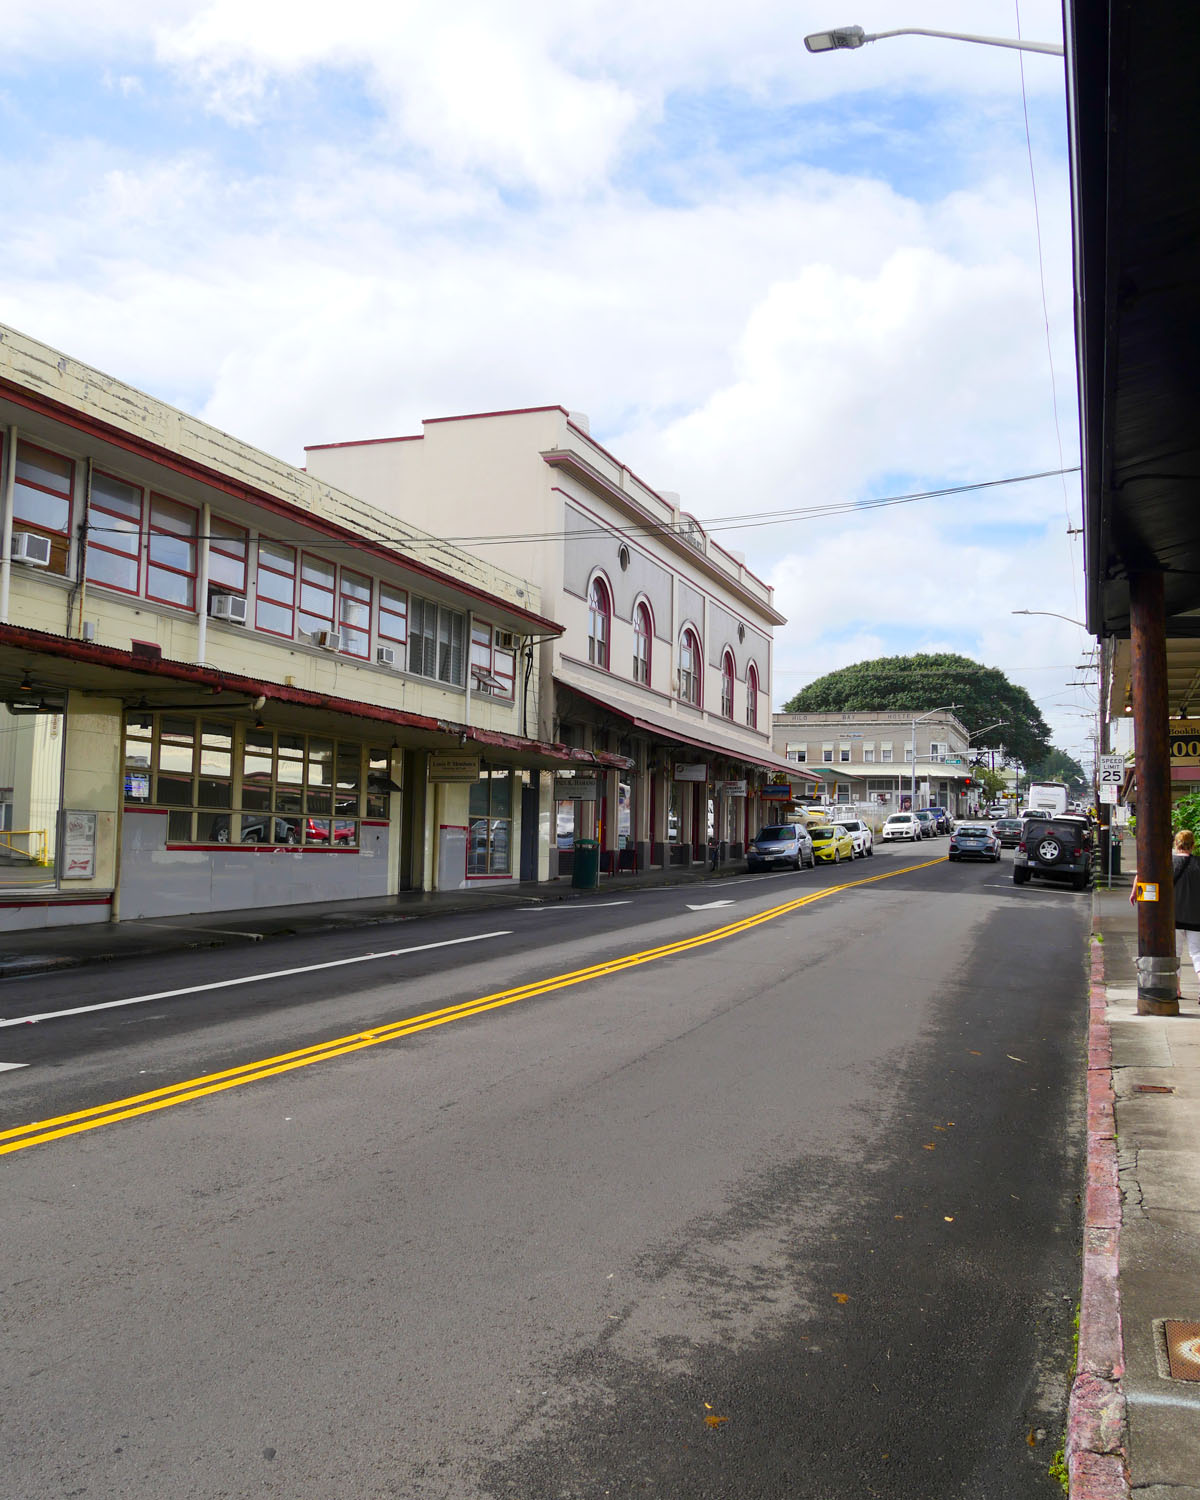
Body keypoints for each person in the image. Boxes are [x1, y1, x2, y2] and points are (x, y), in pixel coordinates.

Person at [1173, 829, 1200, 991]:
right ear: (1193, 844)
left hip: (1173, 916)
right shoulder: (1198, 864)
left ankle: (1176, 989)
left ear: (1176, 844)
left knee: (1175, 954)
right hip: (1196, 917)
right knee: (1197, 954)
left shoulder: (1167, 863)